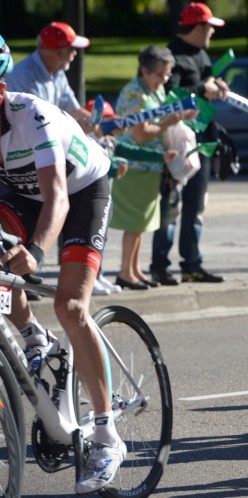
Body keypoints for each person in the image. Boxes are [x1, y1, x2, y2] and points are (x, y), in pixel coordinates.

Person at [0, 37, 126, 494]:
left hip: (81, 190)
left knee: (71, 306)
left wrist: (35, 250)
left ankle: (107, 433)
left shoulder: (30, 115)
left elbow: (56, 198)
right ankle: (34, 337)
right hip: (19, 195)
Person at [4, 21, 121, 295]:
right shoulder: (25, 78)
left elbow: (73, 113)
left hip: (71, 175)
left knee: (71, 306)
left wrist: (101, 125)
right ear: (56, 51)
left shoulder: (56, 73)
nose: (74, 56)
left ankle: (80, 276)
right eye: (71, 50)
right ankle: (31, 327)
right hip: (25, 162)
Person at [150, 1, 228, 285]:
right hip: (177, 139)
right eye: (210, 28)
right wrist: (200, 90)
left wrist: (217, 87)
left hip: (202, 138)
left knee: (196, 205)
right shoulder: (172, 55)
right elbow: (168, 94)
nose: (212, 33)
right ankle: (159, 265)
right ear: (197, 27)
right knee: (170, 205)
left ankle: (192, 265)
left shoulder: (201, 53)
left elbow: (205, 82)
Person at [111, 46, 186, 291]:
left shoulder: (152, 89)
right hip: (134, 165)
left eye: (167, 75)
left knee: (142, 223)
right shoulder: (135, 94)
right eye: (160, 75)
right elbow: (141, 134)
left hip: (151, 164)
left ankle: (135, 270)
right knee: (135, 222)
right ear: (145, 71)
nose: (164, 80)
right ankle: (125, 272)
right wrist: (168, 122)